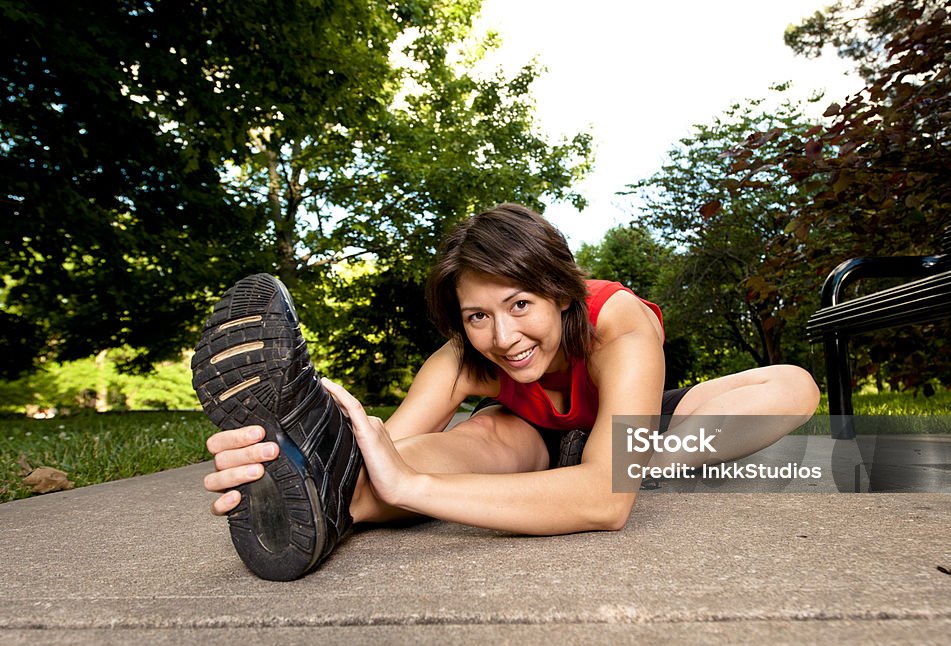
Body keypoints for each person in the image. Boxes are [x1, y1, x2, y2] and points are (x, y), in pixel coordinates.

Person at [193, 204, 820, 580]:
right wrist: (291, 457)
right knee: (431, 452)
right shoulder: (468, 357)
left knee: (792, 386)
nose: (505, 337)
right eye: (477, 315)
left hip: (644, 426)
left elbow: (605, 505)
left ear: (560, 290)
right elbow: (394, 444)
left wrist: (419, 490)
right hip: (530, 437)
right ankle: (331, 503)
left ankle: (634, 464)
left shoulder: (618, 323)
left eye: (520, 304)